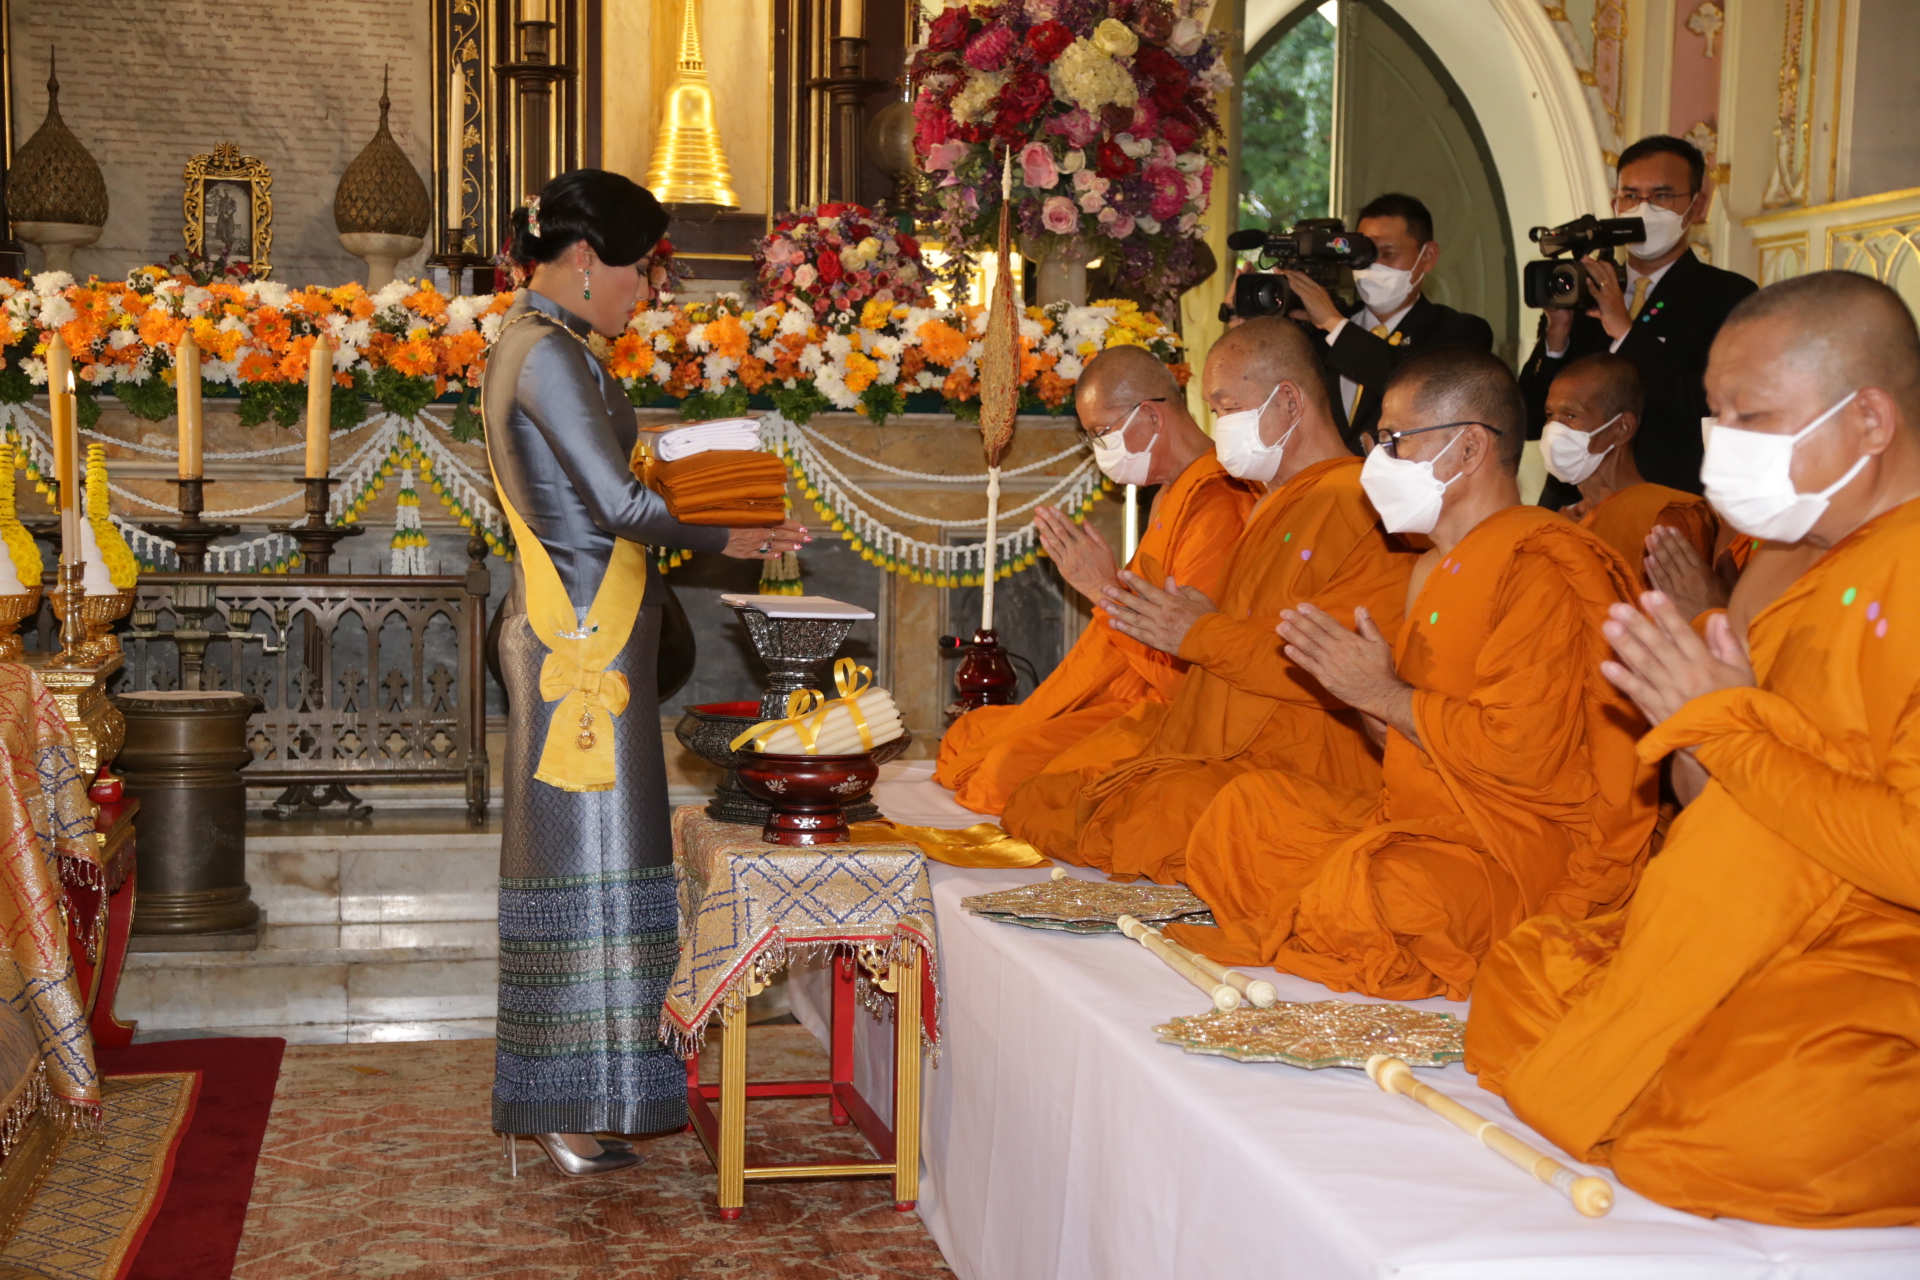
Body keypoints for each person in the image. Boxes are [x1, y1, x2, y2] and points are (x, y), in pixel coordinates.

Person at [1467, 271, 1920, 1227]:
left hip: (1883, 949)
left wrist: (1722, 723)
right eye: (1713, 415)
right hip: (1748, 922)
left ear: (1871, 419)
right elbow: (1716, 805)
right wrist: (1695, 723)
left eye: (1752, 416)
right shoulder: (1799, 563)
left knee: (1742, 1127)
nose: (1722, 448)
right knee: (1520, 982)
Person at [483, 170, 807, 1176]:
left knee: (607, 867)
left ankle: (595, 1091)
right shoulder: (543, 354)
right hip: (578, 641)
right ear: (585, 261)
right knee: (579, 867)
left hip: (596, 631)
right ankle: (560, 1099)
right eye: (638, 269)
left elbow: (610, 492)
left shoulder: (554, 347)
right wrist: (735, 530)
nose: (645, 290)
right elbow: (618, 510)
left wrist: (684, 470)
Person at [1162, 347, 1657, 1001]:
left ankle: (1345, 911)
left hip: (1516, 846)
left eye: (1396, 442)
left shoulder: (1540, 564)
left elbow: (1524, 757)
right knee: (1243, 815)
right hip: (1423, 822)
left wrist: (1386, 695)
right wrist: (1365, 699)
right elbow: (1406, 747)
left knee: (1379, 893)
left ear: (1469, 449)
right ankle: (1332, 904)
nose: (1378, 463)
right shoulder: (1427, 568)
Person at [999, 317, 1417, 881]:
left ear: (1287, 401)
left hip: (1310, 763)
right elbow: (1237, 643)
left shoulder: (1356, 504)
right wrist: (1189, 625)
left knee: (1143, 815)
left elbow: (1338, 666)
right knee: (1048, 799)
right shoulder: (1273, 502)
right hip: (1225, 742)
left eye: (1224, 409)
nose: (1215, 428)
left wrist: (1195, 631)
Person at [934, 346, 1256, 814]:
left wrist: (1102, 590)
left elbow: (1190, 662)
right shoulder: (1170, 491)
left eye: (1101, 433)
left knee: (1003, 776)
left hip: (1171, 710)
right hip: (1128, 686)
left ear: (1149, 416)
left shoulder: (1220, 500)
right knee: (967, 738)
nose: (1100, 449)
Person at [1520, 135, 1757, 500]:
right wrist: (1557, 337)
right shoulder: (1583, 288)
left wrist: (1627, 334)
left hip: (1664, 506)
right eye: (1630, 196)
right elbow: (1532, 419)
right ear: (1615, 203)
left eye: (1662, 196)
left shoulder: (1728, 296)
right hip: (1570, 506)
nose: (1643, 209)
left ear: (1697, 206)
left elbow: (1709, 409)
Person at [1282, 192, 1495, 452]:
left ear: (1427, 256)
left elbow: (1419, 395)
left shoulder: (1460, 332)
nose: (1374, 266)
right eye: (1365, 254)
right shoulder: (1318, 334)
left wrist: (1334, 324)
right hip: (1326, 487)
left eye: (1388, 253)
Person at [1541, 352, 1718, 589]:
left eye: (1571, 415)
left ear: (1622, 428)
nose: (1554, 429)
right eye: (1550, 415)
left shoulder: (1663, 519)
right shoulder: (1563, 520)